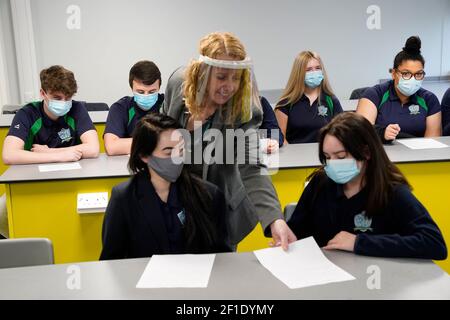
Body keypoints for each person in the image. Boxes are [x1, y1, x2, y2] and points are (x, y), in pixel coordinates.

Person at [164, 32, 296, 249]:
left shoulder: (244, 105)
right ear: (203, 73)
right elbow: (164, 135)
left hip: (221, 201)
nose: (229, 86)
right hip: (179, 195)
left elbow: (251, 166)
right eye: (222, 77)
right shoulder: (179, 84)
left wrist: (275, 219)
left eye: (236, 78)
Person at [287, 112, 447, 259]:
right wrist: (287, 236)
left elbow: (434, 244)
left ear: (366, 153)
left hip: (376, 278)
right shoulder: (320, 183)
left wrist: (359, 242)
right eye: (327, 157)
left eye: (341, 157)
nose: (332, 164)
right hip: (323, 274)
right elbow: (297, 230)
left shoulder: (391, 191)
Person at [100, 113, 231, 259]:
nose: (177, 158)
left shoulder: (209, 194)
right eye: (168, 152)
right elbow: (111, 260)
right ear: (144, 155)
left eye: (181, 150)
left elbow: (222, 256)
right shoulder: (124, 198)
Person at [2, 65, 99, 165]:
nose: (64, 102)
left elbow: (93, 149)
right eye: (57, 98)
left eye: (68, 97)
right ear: (43, 93)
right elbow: (9, 155)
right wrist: (59, 156)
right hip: (34, 175)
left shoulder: (77, 108)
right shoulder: (27, 113)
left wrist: (49, 151)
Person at [356, 36, 441, 143]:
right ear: (394, 73)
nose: (412, 79)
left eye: (418, 74)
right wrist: (382, 133)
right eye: (406, 73)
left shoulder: (429, 99)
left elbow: (432, 143)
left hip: (418, 157)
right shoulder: (375, 94)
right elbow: (360, 132)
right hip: (381, 155)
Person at [275, 51, 343, 144]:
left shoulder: (331, 100)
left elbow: (343, 134)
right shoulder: (285, 103)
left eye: (318, 68)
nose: (314, 72)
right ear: (299, 74)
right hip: (294, 157)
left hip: (324, 155)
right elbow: (278, 138)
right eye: (309, 70)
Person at [104, 60, 164, 155]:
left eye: (152, 92)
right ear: (132, 88)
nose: (146, 95)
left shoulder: (167, 104)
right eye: (140, 92)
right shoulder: (120, 108)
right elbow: (111, 147)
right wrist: (157, 142)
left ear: (159, 87)